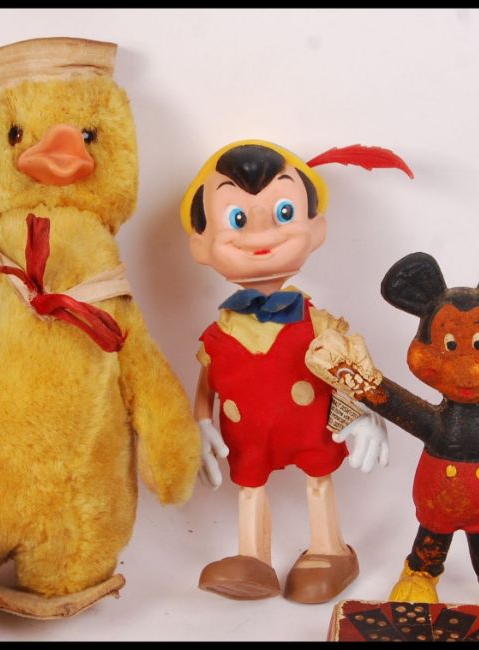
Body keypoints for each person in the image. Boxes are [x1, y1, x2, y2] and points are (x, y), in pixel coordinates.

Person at [181, 139, 412, 603]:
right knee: (249, 489)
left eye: (283, 213)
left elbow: (348, 374)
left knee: (319, 481)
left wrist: (364, 414)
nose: (261, 232)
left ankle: (329, 550)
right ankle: (253, 558)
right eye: (237, 219)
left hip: (311, 427)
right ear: (201, 245)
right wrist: (201, 424)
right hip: (248, 435)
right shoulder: (217, 335)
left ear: (316, 227)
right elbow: (208, 384)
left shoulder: (319, 325)